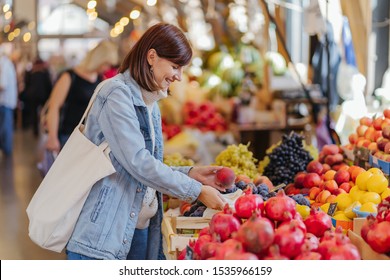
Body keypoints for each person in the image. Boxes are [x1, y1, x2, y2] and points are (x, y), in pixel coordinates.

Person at [65, 23, 226, 260]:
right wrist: (196, 191)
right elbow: (137, 162)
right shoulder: (116, 95)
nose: (179, 77)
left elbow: (138, 166)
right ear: (152, 56)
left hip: (136, 229)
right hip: (103, 236)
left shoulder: (150, 100)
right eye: (175, 66)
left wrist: (191, 173)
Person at [45, 40, 119, 152]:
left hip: (89, 139)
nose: (107, 68)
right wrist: (52, 137)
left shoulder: (99, 79)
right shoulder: (70, 76)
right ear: (99, 59)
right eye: (106, 64)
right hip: (68, 135)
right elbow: (54, 107)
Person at [23, 58, 53, 137]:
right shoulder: (45, 73)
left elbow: (26, 85)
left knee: (34, 113)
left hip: (33, 96)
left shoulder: (30, 73)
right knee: (45, 113)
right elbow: (49, 85)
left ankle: (35, 131)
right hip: (44, 96)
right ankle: (46, 128)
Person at [0, 47, 18, 157]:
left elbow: (2, 85)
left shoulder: (4, 65)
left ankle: (6, 150)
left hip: (5, 102)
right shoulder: (6, 63)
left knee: (5, 128)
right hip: (6, 102)